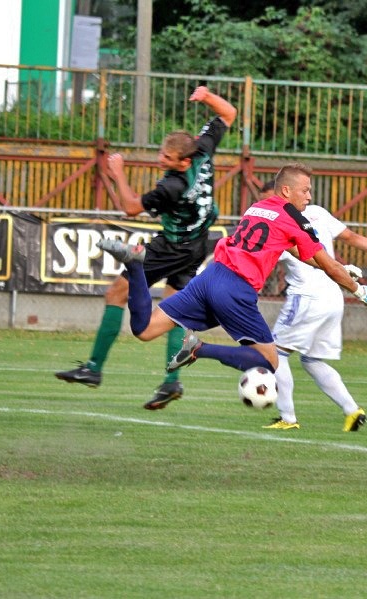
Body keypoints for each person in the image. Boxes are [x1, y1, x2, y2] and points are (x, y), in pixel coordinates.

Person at [97, 163, 367, 407]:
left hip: (210, 277)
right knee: (269, 360)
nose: (309, 197)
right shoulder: (294, 217)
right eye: (306, 191)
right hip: (235, 289)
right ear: (287, 190)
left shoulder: (258, 208)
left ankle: (136, 267)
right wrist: (358, 289)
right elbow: (326, 262)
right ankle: (199, 349)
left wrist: (339, 269)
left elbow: (302, 254)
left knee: (145, 329)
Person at [55, 86, 237, 410]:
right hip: (196, 244)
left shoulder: (172, 186)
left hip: (171, 247)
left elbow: (129, 207)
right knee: (173, 311)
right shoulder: (204, 151)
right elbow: (229, 113)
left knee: (115, 293)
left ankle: (94, 369)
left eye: (166, 157)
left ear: (182, 162)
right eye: (161, 152)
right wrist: (208, 96)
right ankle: (171, 382)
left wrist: (117, 173)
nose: (160, 159)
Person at [267, 186, 367, 432]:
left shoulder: (279, 223)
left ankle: (287, 417)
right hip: (334, 295)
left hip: (306, 297)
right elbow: (351, 237)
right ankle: (352, 410)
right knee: (311, 360)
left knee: (276, 353)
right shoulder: (318, 213)